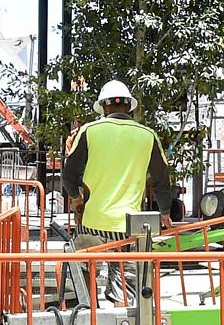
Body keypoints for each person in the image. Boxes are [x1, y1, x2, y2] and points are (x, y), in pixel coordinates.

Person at [60, 80, 180, 310]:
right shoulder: (147, 135)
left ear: (104, 107)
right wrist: (165, 213)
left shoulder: (90, 131)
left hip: (94, 222)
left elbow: (69, 175)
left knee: (80, 265)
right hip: (129, 225)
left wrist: (76, 199)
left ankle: (88, 316)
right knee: (123, 277)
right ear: (130, 107)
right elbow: (162, 180)